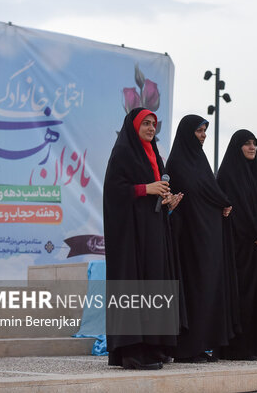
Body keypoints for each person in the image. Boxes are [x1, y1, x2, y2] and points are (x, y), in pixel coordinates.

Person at [103, 107, 183, 370]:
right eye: (145, 123)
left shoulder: (155, 157)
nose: (151, 128)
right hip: (130, 235)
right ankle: (131, 352)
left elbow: (156, 191)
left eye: (153, 124)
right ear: (134, 126)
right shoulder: (124, 152)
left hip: (152, 231)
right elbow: (113, 191)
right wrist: (145, 188)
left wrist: (167, 200)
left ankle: (151, 346)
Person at [166, 115, 238, 363]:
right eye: (199, 131)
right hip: (190, 238)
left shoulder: (199, 160)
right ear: (188, 133)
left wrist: (223, 202)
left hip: (208, 236)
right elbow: (194, 190)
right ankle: (187, 349)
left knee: (208, 287)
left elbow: (209, 188)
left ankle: (203, 345)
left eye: (205, 131)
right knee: (194, 287)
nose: (203, 135)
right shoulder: (176, 162)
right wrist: (222, 200)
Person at [216, 129, 257, 360]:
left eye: (255, 143)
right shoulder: (228, 175)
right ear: (237, 147)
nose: (252, 147)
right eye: (247, 144)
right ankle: (239, 348)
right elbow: (234, 210)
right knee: (243, 296)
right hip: (241, 246)